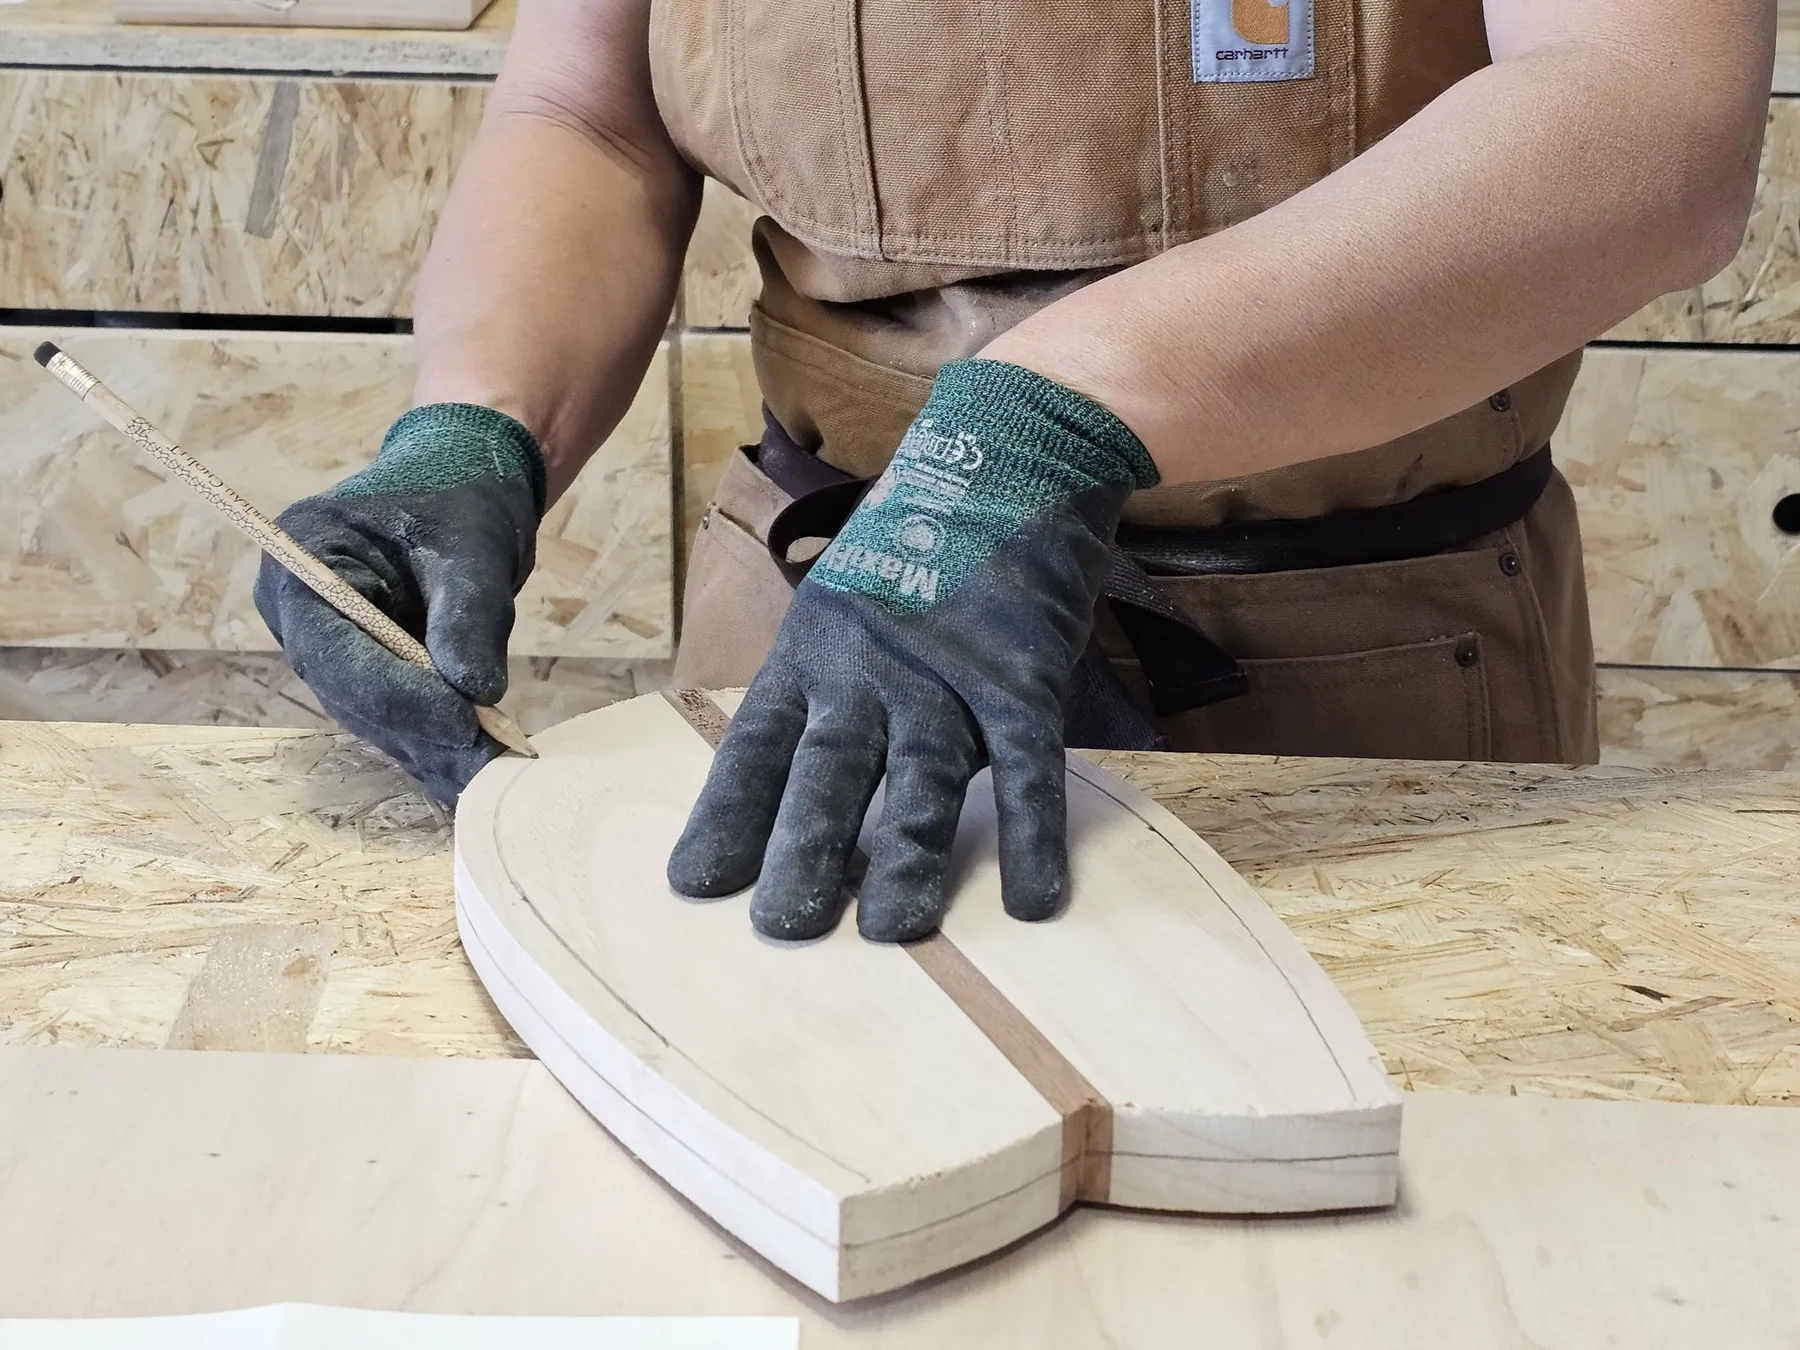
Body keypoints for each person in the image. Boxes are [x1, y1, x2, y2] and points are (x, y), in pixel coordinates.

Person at [257, 0, 1774, 942]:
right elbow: (589, 115)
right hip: (820, 650)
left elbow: (1649, 112)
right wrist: (472, 426)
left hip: (1358, 690)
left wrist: (1049, 414)